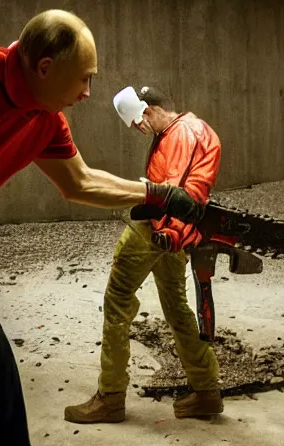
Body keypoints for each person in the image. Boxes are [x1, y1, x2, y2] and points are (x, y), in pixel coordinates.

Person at [0, 10, 202, 446]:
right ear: (44, 67)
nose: (88, 91)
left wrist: (158, 194)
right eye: (84, 77)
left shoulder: (45, 120)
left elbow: (82, 183)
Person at [64, 85, 224, 424]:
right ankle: (207, 391)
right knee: (177, 306)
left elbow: (176, 191)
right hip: (172, 232)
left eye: (139, 122)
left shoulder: (181, 133)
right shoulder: (186, 129)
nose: (140, 130)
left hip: (157, 228)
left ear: (149, 110)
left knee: (117, 300)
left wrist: (165, 231)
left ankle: (110, 397)